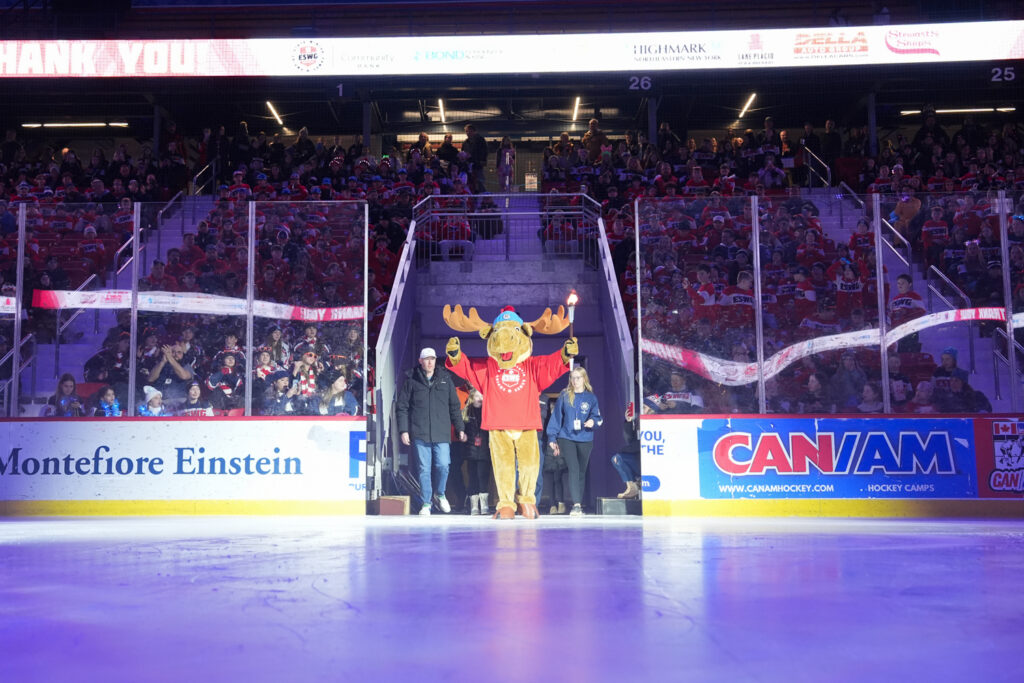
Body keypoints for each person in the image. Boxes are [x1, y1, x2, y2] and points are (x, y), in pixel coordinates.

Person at [396, 347, 466, 516]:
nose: (430, 362)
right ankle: (426, 503)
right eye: (426, 359)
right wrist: (404, 430)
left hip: (441, 432)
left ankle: (440, 494)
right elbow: (402, 407)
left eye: (432, 359)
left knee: (443, 465)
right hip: (420, 433)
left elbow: (454, 407)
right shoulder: (411, 380)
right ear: (420, 361)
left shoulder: (445, 379)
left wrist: (460, 428)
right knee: (423, 469)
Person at [546, 366, 603, 517]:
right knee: (574, 469)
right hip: (567, 437)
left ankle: (578, 503)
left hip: (585, 438)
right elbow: (556, 417)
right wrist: (552, 437)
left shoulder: (591, 398)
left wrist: (593, 421)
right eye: (573, 377)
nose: (575, 380)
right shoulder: (565, 395)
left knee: (581, 472)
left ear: (584, 379)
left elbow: (598, 418)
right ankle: (576, 506)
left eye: (578, 377)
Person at [460, 389, 491, 516]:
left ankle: (484, 504)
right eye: (477, 395)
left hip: (485, 448)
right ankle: (474, 505)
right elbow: (460, 427)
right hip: (471, 448)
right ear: (472, 397)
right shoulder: (466, 412)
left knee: (483, 476)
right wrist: (461, 434)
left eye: (482, 396)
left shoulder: (488, 411)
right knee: (472, 476)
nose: (480, 398)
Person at [611, 402, 642, 499]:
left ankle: (639, 483)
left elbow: (638, 446)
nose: (642, 411)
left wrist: (622, 450)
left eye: (645, 408)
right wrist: (628, 422)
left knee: (619, 456)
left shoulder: (657, 424)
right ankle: (632, 487)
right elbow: (630, 440)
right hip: (640, 462)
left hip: (653, 465)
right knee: (617, 458)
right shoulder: (640, 424)